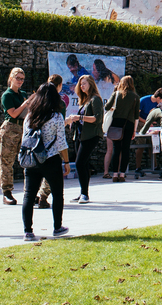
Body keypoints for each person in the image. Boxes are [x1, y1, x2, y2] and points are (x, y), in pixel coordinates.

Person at [21, 83, 69, 241]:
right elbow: (61, 142)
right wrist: (67, 161)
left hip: (33, 159)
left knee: (29, 195)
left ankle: (28, 231)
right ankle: (57, 227)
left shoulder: (29, 116)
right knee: (57, 194)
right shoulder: (56, 117)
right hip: (51, 159)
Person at [65, 75, 104, 203]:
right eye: (80, 84)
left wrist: (79, 118)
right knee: (84, 163)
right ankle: (83, 192)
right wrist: (75, 121)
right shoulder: (85, 100)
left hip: (91, 135)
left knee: (79, 163)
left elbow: (97, 118)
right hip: (80, 135)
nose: (82, 86)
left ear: (91, 84)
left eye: (84, 84)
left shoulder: (95, 99)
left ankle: (84, 194)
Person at [0, 67, 28, 204]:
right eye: (18, 78)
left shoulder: (22, 94)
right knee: (7, 161)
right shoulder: (7, 95)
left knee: (27, 160)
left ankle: (29, 191)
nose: (20, 81)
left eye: (22, 79)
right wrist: (26, 103)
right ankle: (7, 192)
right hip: (11, 128)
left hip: (23, 127)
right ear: (11, 78)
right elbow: (13, 113)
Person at [105, 75, 138, 182]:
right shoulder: (135, 97)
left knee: (116, 148)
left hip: (116, 123)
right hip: (129, 124)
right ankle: (122, 174)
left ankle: (115, 174)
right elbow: (136, 116)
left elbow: (106, 107)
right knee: (125, 149)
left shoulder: (116, 94)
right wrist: (134, 130)